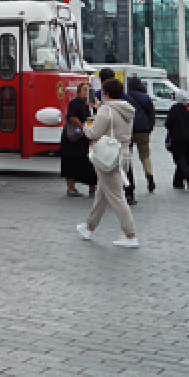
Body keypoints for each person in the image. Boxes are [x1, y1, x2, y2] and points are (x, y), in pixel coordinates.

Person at [76, 78, 139, 247]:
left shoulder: (106, 110)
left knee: (116, 197)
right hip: (123, 154)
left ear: (106, 93)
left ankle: (130, 234)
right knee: (102, 194)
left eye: (103, 91)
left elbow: (94, 133)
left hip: (108, 156)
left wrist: (85, 127)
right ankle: (89, 227)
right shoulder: (126, 109)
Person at [93, 68, 135, 205]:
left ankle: (128, 224)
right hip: (124, 141)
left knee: (107, 172)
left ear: (101, 80)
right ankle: (129, 191)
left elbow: (96, 129)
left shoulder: (101, 97)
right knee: (125, 168)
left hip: (108, 143)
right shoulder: (125, 98)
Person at [60, 82, 98, 197]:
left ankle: (92, 188)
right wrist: (83, 127)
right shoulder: (76, 102)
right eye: (85, 90)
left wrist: (95, 103)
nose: (87, 92)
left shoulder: (88, 104)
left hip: (82, 138)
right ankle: (72, 189)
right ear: (79, 91)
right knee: (72, 162)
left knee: (87, 163)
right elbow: (72, 117)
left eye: (89, 90)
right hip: (74, 139)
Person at [165, 90, 189, 190]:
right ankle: (178, 182)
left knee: (179, 158)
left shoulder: (174, 109)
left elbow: (169, 123)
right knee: (186, 159)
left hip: (178, 138)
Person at [125, 76, 157, 193]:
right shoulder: (146, 97)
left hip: (129, 130)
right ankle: (149, 176)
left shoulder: (126, 97)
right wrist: (150, 127)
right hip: (143, 129)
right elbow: (151, 114)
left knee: (127, 156)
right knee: (145, 156)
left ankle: (129, 180)